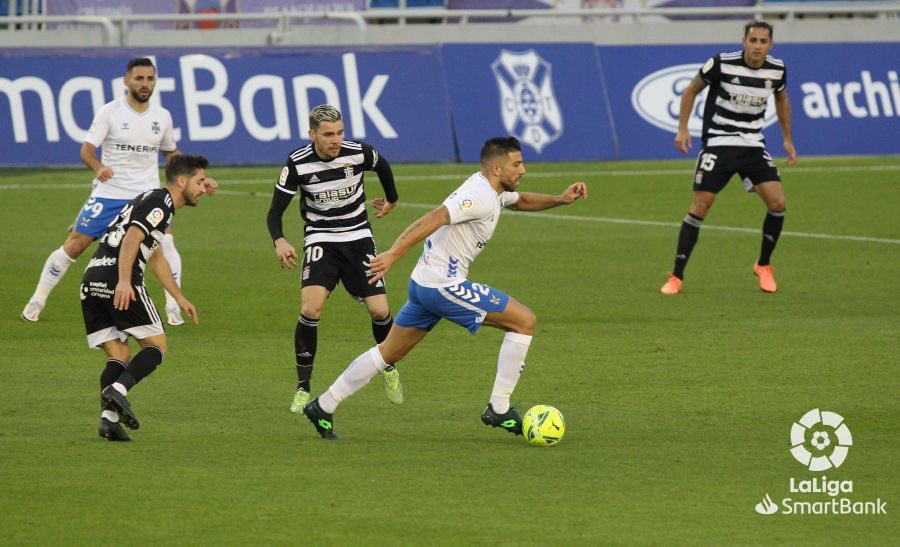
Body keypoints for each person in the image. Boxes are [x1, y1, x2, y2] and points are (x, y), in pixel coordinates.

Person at [301, 136, 588, 440]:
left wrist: (560, 198)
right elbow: (434, 217)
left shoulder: (495, 190)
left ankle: (323, 405)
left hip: (424, 283)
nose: (523, 170)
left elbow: (521, 201)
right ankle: (499, 407)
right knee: (524, 321)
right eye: (516, 164)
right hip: (443, 286)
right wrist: (393, 254)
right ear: (496, 168)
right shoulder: (478, 195)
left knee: (387, 353)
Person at [22, 57, 217, 326]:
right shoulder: (109, 112)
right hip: (110, 193)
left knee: (163, 245)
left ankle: (173, 306)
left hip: (148, 196)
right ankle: (38, 300)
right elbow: (86, 150)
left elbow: (171, 154)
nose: (145, 83)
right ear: (126, 81)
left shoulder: (162, 116)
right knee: (75, 244)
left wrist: (197, 178)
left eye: (150, 78)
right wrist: (98, 166)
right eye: (139, 78)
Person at [266, 104, 403, 414]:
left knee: (380, 310)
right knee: (310, 309)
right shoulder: (298, 163)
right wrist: (279, 240)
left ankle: (389, 365)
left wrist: (392, 199)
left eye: (340, 132)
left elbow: (382, 165)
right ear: (311, 134)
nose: (336, 139)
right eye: (328, 134)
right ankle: (303, 387)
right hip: (321, 239)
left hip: (358, 237)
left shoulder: (358, 152)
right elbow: (275, 212)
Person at [660, 20, 797, 296]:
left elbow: (782, 100)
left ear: (771, 45)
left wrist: (787, 139)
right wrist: (683, 128)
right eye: (753, 40)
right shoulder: (721, 63)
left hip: (752, 145)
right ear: (744, 41)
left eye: (763, 41)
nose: (757, 46)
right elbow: (691, 90)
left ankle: (764, 265)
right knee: (701, 205)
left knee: (778, 202)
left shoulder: (777, 69)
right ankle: (676, 276)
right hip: (719, 143)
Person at [84, 155, 209, 442]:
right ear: (181, 181)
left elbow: (156, 256)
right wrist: (125, 281)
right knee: (156, 346)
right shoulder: (160, 202)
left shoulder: (150, 199)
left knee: (120, 355)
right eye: (199, 181)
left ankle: (108, 421)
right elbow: (132, 238)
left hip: (92, 279)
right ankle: (117, 391)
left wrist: (178, 297)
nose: (203, 188)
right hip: (118, 279)